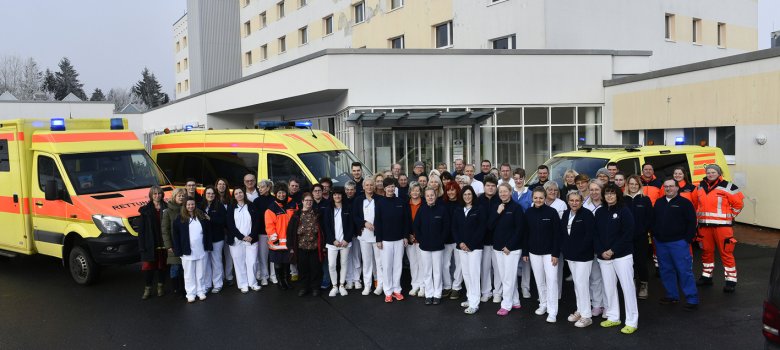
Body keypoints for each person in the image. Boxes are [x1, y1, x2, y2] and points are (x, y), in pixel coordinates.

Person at [594, 183, 638, 334]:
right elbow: (596, 235)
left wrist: (613, 250)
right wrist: (601, 251)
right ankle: (613, 317)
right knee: (609, 288)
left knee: (628, 288)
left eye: (612, 193)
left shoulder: (624, 210)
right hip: (604, 258)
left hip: (622, 256)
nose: (609, 196)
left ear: (617, 195)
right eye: (607, 193)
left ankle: (632, 321)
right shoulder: (599, 212)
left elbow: (628, 233)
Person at [696, 164, 744, 293]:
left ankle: (731, 281)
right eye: (708, 172)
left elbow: (739, 204)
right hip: (704, 227)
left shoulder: (728, 186)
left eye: (713, 172)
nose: (710, 174)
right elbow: (697, 205)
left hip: (722, 228)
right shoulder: (700, 186)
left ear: (718, 173)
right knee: (706, 252)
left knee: (726, 254)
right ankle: (707, 277)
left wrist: (730, 216)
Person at [653, 178, 699, 310]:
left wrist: (687, 239)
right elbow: (654, 220)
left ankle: (692, 299)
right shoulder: (659, 202)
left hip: (678, 243)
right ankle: (672, 295)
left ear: (677, 188)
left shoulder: (685, 203)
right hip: (661, 243)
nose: (668, 189)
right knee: (666, 270)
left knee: (684, 271)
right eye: (666, 186)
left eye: (671, 186)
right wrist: (655, 235)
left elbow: (692, 222)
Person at [524, 187, 562, 322]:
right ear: (532, 198)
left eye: (541, 197)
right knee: (539, 281)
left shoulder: (552, 212)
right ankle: (543, 304)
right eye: (536, 198)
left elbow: (558, 235)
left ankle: (552, 311)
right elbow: (525, 234)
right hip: (534, 253)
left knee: (552, 281)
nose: (538, 200)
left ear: (545, 198)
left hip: (550, 253)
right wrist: (525, 252)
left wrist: (556, 253)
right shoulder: (528, 213)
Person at [561, 190, 596, 328]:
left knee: (582, 284)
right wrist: (565, 250)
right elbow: (562, 234)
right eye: (572, 200)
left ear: (581, 201)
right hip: (570, 256)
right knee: (577, 284)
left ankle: (587, 316)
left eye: (577, 200)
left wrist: (578, 250)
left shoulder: (587, 215)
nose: (574, 203)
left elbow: (589, 236)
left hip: (583, 256)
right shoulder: (565, 214)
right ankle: (580, 310)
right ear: (568, 201)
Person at [489, 183, 525, 316]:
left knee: (508, 277)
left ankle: (506, 304)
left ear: (510, 192)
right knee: (506, 276)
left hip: (511, 249)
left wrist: (509, 246)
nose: (503, 194)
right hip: (498, 248)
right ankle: (515, 301)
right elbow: (490, 226)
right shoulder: (496, 207)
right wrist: (497, 213)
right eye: (501, 192)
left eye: (505, 191)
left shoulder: (517, 208)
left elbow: (520, 230)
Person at [375, 178, 410, 302]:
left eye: (392, 187)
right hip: (385, 240)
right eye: (388, 187)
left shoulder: (401, 202)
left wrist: (406, 236)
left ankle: (397, 290)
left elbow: (406, 221)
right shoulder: (380, 202)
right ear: (384, 188)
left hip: (399, 239)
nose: (390, 189)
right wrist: (378, 239)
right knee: (387, 265)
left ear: (395, 188)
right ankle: (388, 291)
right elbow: (377, 222)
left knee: (398, 266)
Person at [172, 198, 213, 303]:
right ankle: (190, 293)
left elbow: (208, 232)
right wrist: (178, 251)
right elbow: (175, 237)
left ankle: (200, 291)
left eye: (193, 204)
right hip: (187, 251)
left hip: (201, 250)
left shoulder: (201, 217)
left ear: (195, 205)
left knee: (200, 273)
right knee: (189, 274)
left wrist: (208, 247)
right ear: (185, 206)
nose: (191, 206)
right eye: (188, 204)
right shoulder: (179, 219)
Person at [414, 188, 451, 305]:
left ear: (435, 196)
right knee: (427, 271)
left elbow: (446, 227)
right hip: (424, 246)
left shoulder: (442, 209)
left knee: (437, 271)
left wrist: (441, 240)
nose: (430, 197)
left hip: (438, 246)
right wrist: (420, 240)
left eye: (432, 195)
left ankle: (437, 294)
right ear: (425, 197)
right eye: (428, 195)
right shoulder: (422, 209)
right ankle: (429, 294)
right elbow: (416, 226)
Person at [453, 185, 486, 314]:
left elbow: (481, 229)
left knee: (474, 274)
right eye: (465, 194)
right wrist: (460, 243)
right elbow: (454, 228)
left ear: (473, 195)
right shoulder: (458, 210)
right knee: (466, 274)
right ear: (462, 196)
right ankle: (470, 297)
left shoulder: (479, 209)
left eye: (469, 194)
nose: (467, 197)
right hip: (461, 248)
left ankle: (474, 303)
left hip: (475, 248)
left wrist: (470, 245)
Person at [287, 192, 325, 297]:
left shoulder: (317, 214)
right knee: (303, 269)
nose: (309, 202)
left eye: (311, 201)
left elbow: (322, 230)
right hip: (300, 247)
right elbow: (290, 232)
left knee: (315, 269)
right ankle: (304, 288)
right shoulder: (296, 215)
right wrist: (290, 247)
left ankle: (315, 288)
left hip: (315, 248)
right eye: (307, 200)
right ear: (302, 201)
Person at [226, 187, 262, 293]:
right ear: (234, 196)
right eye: (236, 193)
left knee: (252, 262)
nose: (239, 195)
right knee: (239, 262)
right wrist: (241, 237)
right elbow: (230, 225)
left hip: (251, 239)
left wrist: (251, 235)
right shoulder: (231, 207)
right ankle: (243, 284)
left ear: (244, 193)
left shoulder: (251, 205)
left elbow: (257, 222)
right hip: (237, 240)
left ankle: (253, 283)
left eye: (240, 192)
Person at [353, 177, 384, 296]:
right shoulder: (358, 200)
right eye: (367, 185)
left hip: (377, 236)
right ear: (363, 187)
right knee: (366, 262)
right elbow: (355, 216)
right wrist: (364, 223)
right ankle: (367, 285)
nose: (369, 187)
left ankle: (380, 285)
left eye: (371, 185)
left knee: (379, 262)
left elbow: (382, 216)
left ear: (374, 186)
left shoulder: (380, 199)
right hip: (364, 236)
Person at [624, 175, 653, 300]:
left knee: (641, 262)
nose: (634, 186)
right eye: (631, 184)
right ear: (627, 185)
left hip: (640, 237)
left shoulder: (645, 199)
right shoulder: (623, 200)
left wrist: (642, 231)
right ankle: (631, 285)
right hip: (625, 238)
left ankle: (643, 285)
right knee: (628, 263)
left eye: (636, 184)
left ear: (639, 185)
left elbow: (649, 218)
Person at [265, 183, 298, 291]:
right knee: (278, 264)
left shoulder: (293, 204)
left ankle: (286, 280)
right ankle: (280, 282)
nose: (281, 195)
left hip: (289, 240)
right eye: (279, 193)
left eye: (283, 192)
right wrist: (275, 240)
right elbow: (270, 226)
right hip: (278, 242)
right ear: (275, 194)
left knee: (287, 263)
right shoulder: (271, 208)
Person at [138, 185, 168, 299]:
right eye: (154, 194)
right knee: (148, 267)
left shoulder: (166, 207)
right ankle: (148, 289)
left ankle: (161, 287)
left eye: (159, 193)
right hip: (150, 243)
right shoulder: (145, 210)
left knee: (162, 266)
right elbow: (141, 231)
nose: (157, 196)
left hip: (163, 242)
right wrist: (141, 246)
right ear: (151, 195)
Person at [324, 187, 353, 297]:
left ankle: (341, 285)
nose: (337, 196)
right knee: (331, 265)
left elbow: (351, 225)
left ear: (342, 196)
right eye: (335, 195)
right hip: (333, 243)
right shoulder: (328, 209)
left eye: (339, 194)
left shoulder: (348, 208)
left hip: (345, 242)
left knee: (344, 264)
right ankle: (334, 286)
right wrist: (333, 240)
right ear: (332, 196)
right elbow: (326, 226)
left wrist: (347, 239)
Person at [583, 180, 606, 317]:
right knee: (595, 277)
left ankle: (608, 305)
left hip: (605, 246)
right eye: (591, 190)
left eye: (597, 189)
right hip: (591, 247)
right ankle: (597, 304)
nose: (594, 192)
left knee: (608, 279)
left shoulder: (607, 204)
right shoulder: (585, 205)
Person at [479, 175, 502, 303]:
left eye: (493, 186)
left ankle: (498, 292)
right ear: (484, 186)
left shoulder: (500, 199)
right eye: (488, 185)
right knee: (485, 268)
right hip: (484, 241)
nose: (490, 188)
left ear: (496, 187)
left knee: (498, 269)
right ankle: (486, 292)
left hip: (498, 240)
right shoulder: (479, 200)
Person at [511, 168, 532, 298]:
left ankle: (525, 287)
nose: (518, 181)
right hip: (512, 230)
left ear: (524, 178)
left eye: (520, 178)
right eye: (516, 178)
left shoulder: (530, 194)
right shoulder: (510, 193)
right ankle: (514, 289)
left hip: (526, 230)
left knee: (525, 261)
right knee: (513, 262)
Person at [201, 186, 227, 293]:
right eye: (208, 193)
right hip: (205, 238)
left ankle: (218, 284)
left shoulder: (220, 206)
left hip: (217, 238)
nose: (210, 195)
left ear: (215, 195)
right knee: (206, 262)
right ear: (205, 194)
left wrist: (211, 219)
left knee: (216, 261)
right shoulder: (200, 206)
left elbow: (223, 221)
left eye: (212, 193)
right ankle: (207, 284)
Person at [162, 188, 187, 296]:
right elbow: (165, 230)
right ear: (174, 197)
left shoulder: (187, 209)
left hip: (185, 244)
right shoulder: (167, 212)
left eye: (183, 196)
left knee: (184, 268)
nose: (181, 197)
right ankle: (176, 288)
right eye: (179, 196)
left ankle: (183, 288)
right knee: (175, 267)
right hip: (173, 244)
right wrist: (168, 245)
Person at [544, 181, 567, 298]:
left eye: (555, 190)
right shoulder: (538, 202)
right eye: (550, 190)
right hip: (542, 241)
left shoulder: (561, 204)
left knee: (556, 269)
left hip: (556, 240)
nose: (553, 192)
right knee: (544, 271)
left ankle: (556, 294)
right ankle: (545, 294)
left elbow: (563, 223)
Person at [442, 180, 463, 300]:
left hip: (458, 239)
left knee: (459, 264)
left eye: (453, 189)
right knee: (445, 264)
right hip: (446, 239)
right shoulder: (442, 203)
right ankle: (447, 285)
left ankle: (456, 287)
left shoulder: (461, 203)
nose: (450, 192)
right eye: (448, 190)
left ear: (456, 190)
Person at [253, 179, 275, 286]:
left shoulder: (274, 200)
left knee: (274, 255)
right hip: (261, 232)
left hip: (274, 232)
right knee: (262, 256)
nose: (259, 189)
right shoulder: (256, 201)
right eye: (259, 187)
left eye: (262, 187)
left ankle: (273, 276)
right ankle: (264, 276)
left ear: (268, 188)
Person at [215, 178, 235, 287]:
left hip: (229, 231)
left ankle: (229, 276)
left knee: (229, 256)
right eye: (220, 184)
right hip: (218, 232)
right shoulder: (213, 198)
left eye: (224, 184)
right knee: (218, 257)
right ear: (216, 186)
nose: (221, 186)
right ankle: (220, 277)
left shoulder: (230, 199)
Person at [343, 180, 362, 290]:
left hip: (356, 234)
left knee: (356, 257)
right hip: (345, 236)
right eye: (348, 190)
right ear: (345, 191)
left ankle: (357, 279)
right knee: (347, 258)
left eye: (351, 190)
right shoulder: (342, 201)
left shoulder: (358, 200)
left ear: (355, 190)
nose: (349, 191)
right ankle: (348, 280)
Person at [407, 182, 425, 297]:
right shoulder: (405, 204)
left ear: (420, 192)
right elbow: (404, 221)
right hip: (410, 238)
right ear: (410, 192)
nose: (415, 192)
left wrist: (418, 235)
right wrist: (408, 235)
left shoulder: (424, 204)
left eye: (417, 190)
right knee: (413, 263)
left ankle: (423, 286)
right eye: (413, 190)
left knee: (422, 263)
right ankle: (415, 285)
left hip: (422, 238)